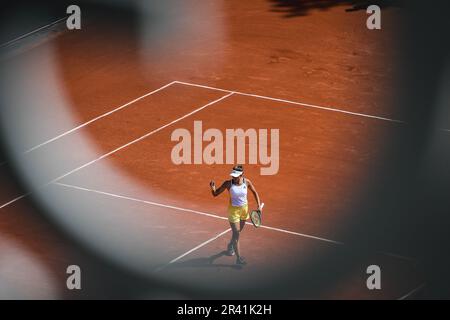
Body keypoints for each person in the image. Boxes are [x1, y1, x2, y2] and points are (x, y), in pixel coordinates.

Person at [209, 165, 263, 265]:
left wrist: (259, 206)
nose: (234, 177)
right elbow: (215, 194)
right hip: (233, 211)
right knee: (236, 234)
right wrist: (213, 188)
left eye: (236, 175)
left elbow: (255, 192)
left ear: (242, 174)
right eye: (233, 175)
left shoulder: (247, 182)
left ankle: (230, 245)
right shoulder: (228, 184)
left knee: (238, 232)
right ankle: (239, 258)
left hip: (244, 210)